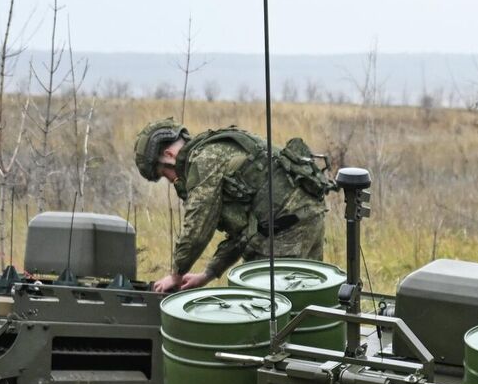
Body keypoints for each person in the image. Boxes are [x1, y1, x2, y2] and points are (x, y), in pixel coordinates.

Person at [131, 119, 331, 294]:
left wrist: (176, 274)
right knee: (307, 300)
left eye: (165, 174)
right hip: (305, 217)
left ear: (169, 155)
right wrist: (208, 274)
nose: (172, 180)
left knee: (265, 311)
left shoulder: (204, 161)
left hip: (287, 229)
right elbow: (245, 231)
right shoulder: (214, 151)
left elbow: (198, 225)